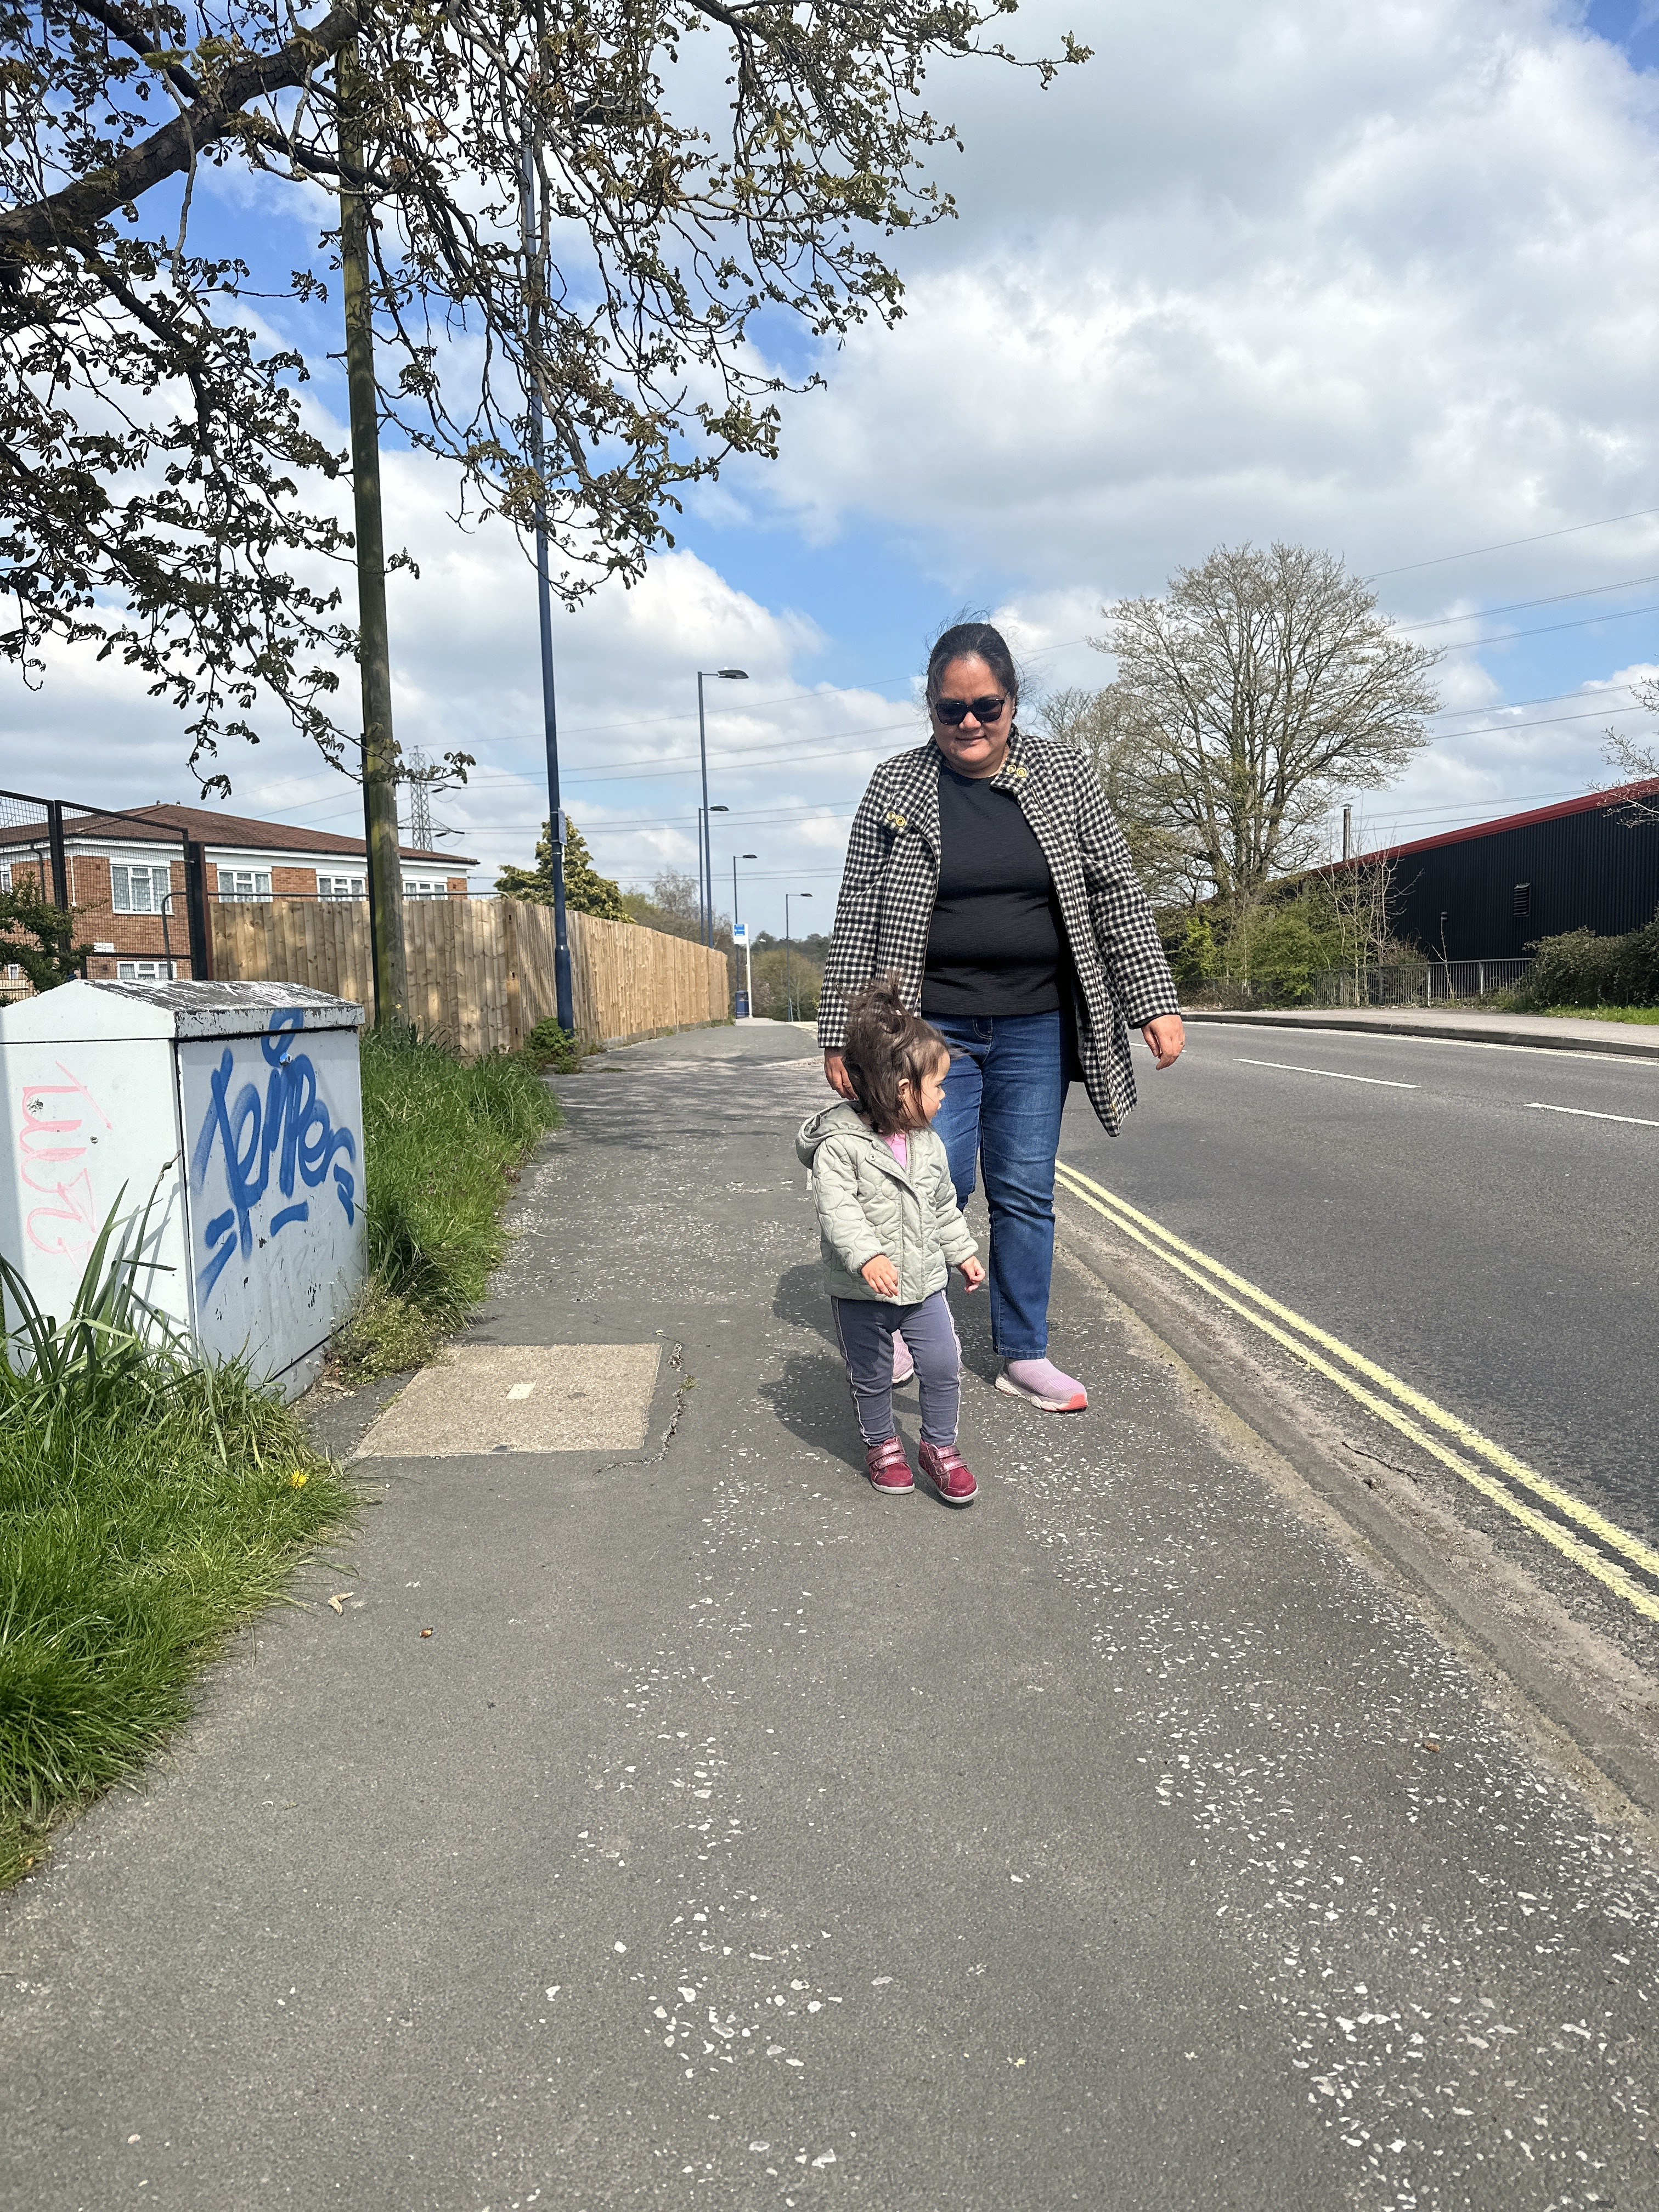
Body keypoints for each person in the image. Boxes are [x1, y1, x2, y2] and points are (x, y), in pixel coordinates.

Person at [818, 619, 1185, 1413]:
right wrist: (838, 1036)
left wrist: (1152, 999)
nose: (969, 723)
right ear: (930, 709)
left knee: (1023, 1190)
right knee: (929, 1179)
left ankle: (1023, 1353)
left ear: (1013, 702)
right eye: (950, 709)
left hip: (1034, 1023)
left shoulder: (1065, 774)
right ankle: (903, 1325)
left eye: (986, 706)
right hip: (927, 1030)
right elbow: (855, 914)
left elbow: (1115, 890)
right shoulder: (895, 785)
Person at [797, 977, 988, 1504]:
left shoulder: (927, 1144)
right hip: (862, 1292)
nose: (945, 1096)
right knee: (872, 1375)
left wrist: (963, 1251)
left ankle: (939, 1446)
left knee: (943, 1366)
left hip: (923, 1284)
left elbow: (942, 1205)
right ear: (904, 1089)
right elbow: (838, 1211)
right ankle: (882, 1443)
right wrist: (868, 1257)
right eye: (938, 1086)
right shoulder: (840, 1146)